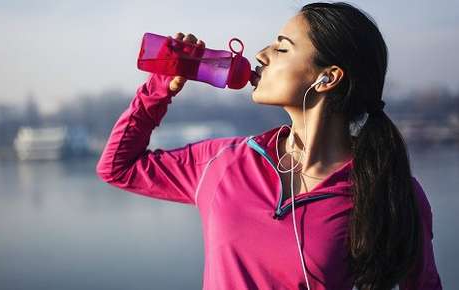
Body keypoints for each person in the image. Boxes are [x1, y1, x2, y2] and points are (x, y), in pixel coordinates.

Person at [96, 2, 442, 289]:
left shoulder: (391, 191)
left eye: (281, 47)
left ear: (328, 77)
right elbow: (118, 167)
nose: (260, 54)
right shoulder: (224, 162)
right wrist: (159, 87)